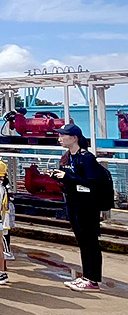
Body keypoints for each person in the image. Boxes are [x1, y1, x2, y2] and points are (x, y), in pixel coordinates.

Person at [52, 123, 103, 292]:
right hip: (73, 203)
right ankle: (86, 276)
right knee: (82, 241)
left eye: (63, 135)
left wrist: (69, 176)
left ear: (74, 138)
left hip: (87, 205)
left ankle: (93, 279)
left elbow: (92, 183)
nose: (59, 138)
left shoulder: (86, 157)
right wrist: (61, 178)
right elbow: (73, 180)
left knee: (90, 241)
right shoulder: (69, 157)